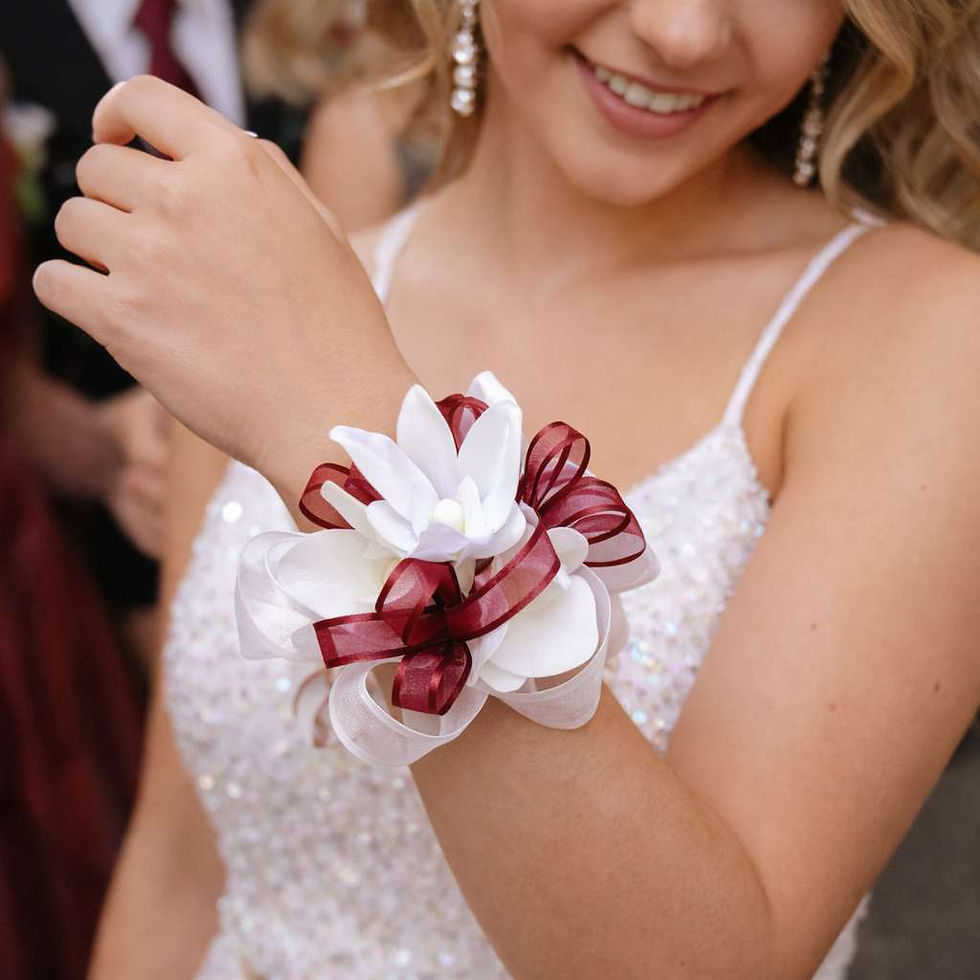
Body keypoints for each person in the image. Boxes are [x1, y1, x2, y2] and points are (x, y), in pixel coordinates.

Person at [33, 0, 980, 977]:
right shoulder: (270, 318)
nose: (683, 32)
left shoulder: (921, 335)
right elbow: (178, 864)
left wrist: (348, 434)